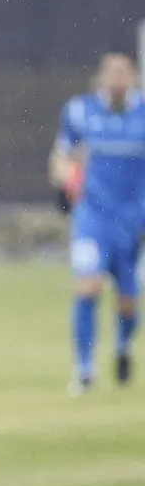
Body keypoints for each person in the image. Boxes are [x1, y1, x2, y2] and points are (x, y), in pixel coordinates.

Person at [48, 52, 145, 394]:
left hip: (134, 221)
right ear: (102, 77)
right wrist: (66, 180)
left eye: (123, 72)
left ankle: (123, 345)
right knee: (87, 286)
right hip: (93, 218)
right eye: (111, 73)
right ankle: (85, 369)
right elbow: (61, 156)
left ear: (133, 77)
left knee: (128, 301)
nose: (117, 79)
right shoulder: (81, 111)